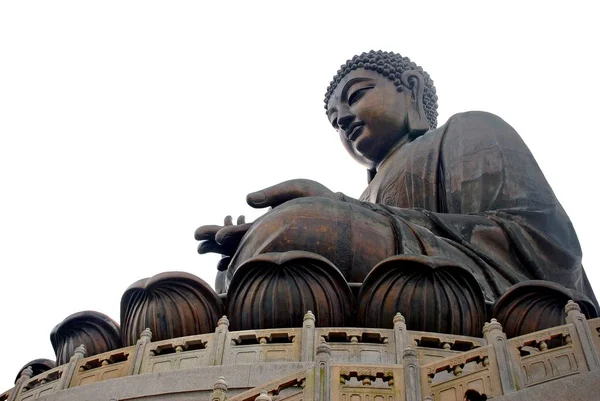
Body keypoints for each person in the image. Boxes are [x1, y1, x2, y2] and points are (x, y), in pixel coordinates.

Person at [195, 50, 597, 335]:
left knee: (301, 224)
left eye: (356, 96)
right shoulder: (365, 194)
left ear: (410, 88)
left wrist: (332, 216)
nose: (345, 120)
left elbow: (543, 246)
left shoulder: (468, 130)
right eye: (336, 122)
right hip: (387, 300)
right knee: (235, 276)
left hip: (475, 298)